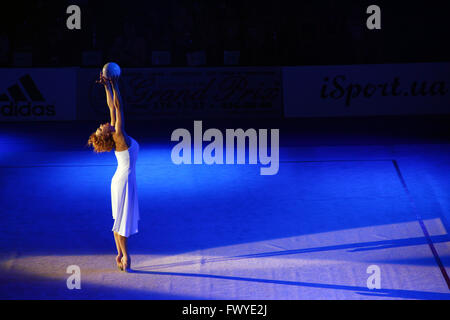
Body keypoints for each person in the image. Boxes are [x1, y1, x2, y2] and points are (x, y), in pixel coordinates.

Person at [87, 72, 140, 272]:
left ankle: (119, 252)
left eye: (100, 127)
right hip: (124, 181)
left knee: (119, 219)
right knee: (122, 220)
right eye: (101, 128)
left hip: (121, 179)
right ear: (108, 133)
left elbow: (111, 106)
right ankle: (125, 255)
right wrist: (115, 83)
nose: (102, 125)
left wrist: (106, 86)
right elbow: (119, 106)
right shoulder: (118, 134)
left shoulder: (114, 133)